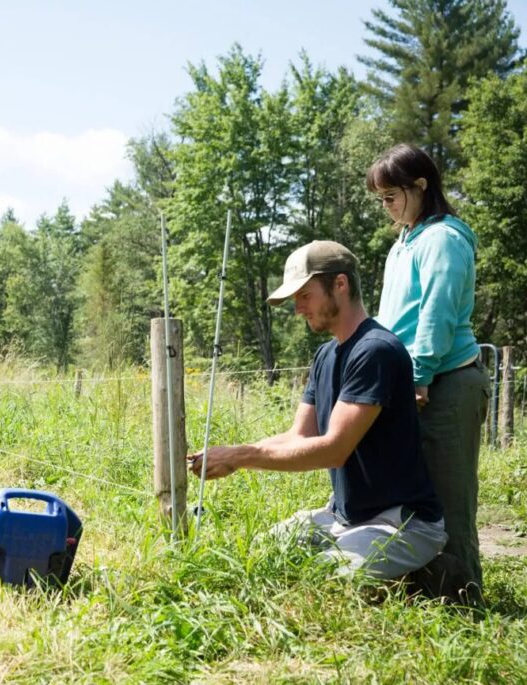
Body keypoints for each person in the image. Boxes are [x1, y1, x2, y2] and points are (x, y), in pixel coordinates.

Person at [188, 240, 447, 581]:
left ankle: (434, 579)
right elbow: (300, 435)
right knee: (260, 556)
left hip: (398, 522)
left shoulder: (376, 351)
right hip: (341, 518)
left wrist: (240, 457)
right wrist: (227, 454)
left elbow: (334, 449)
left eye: (305, 295)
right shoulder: (325, 355)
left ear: (340, 284)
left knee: (321, 578)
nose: (298, 309)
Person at [367, 143, 489, 591]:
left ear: (420, 186)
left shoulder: (443, 239)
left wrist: (419, 376)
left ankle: (462, 597)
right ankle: (421, 588)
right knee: (413, 492)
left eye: (391, 196)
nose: (386, 206)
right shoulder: (405, 241)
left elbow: (437, 313)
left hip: (446, 382)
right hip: (411, 382)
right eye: (380, 199)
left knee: (449, 495)